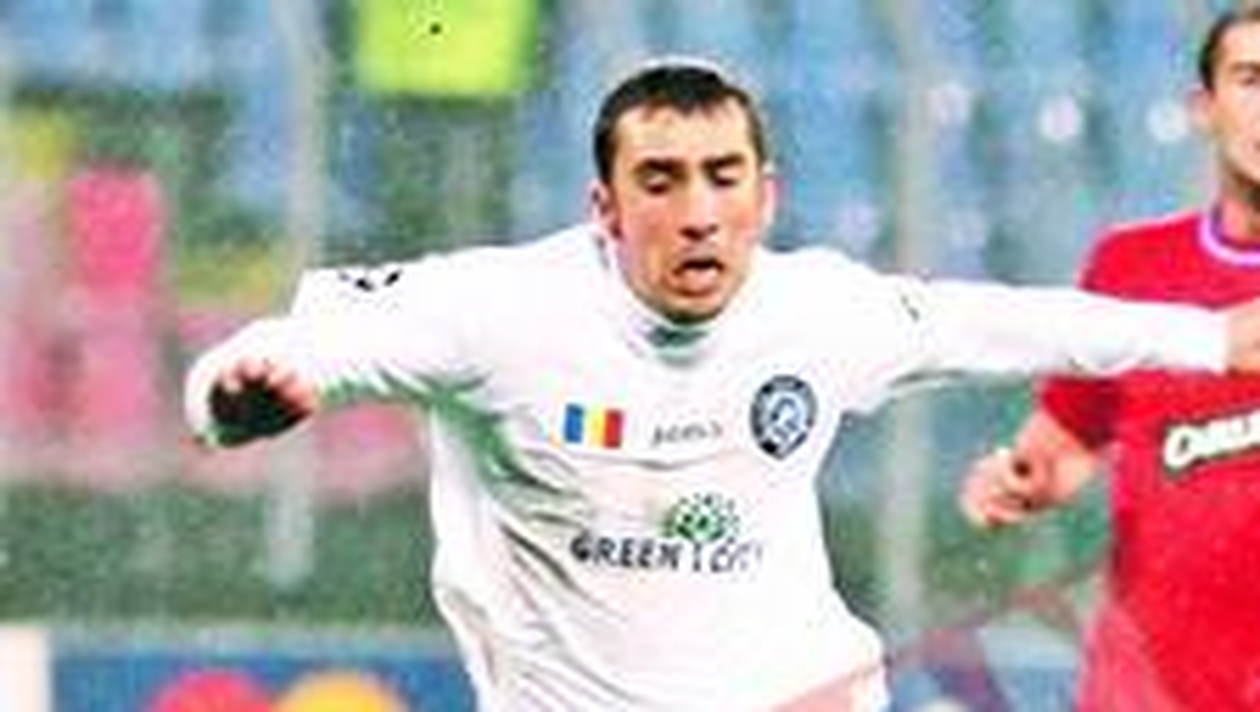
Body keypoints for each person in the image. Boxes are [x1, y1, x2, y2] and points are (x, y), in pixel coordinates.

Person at [186, 57, 1260, 712]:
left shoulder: (818, 312)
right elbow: (308, 342)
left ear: (766, 194)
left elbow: (1006, 322)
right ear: (605, 207)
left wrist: (1213, 336)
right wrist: (233, 399)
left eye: (723, 177)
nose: (698, 213)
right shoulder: (499, 312)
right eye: (660, 181)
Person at [958, 7, 1260, 711]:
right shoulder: (1132, 267)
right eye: (1252, 80)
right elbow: (1065, 440)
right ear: (1203, 108)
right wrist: (1020, 477)